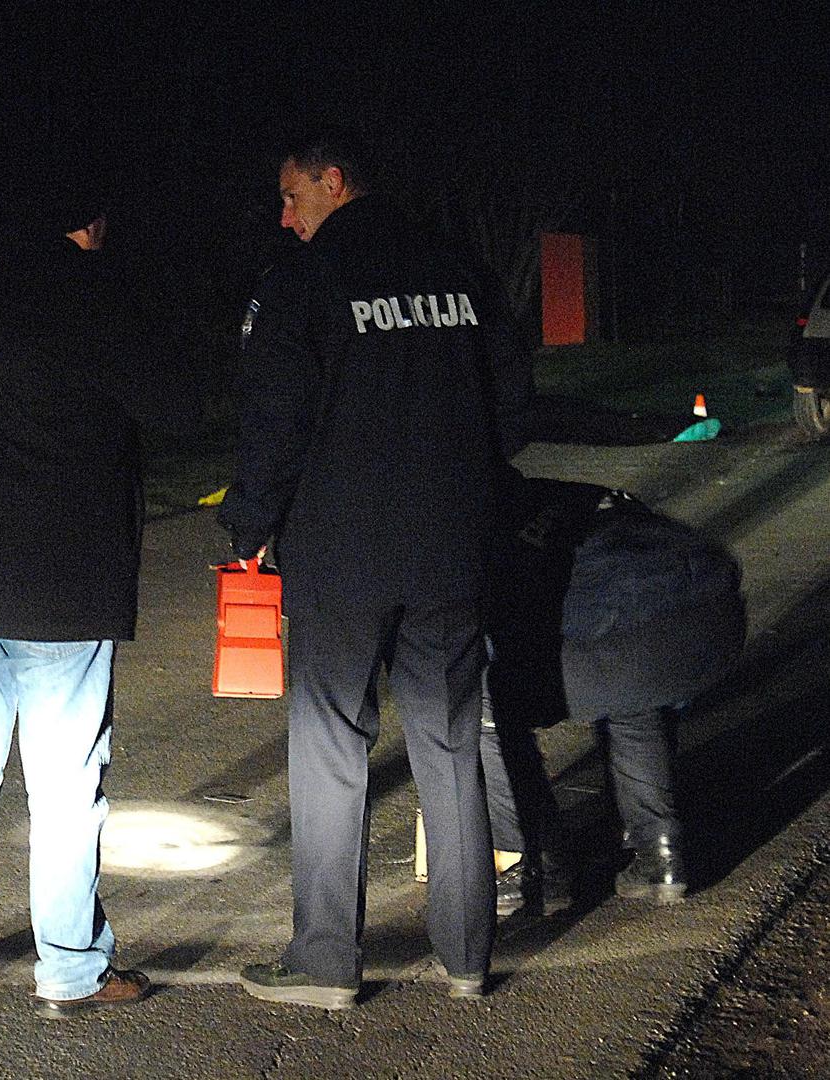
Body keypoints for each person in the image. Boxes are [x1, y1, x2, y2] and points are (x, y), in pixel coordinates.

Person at [218, 127, 534, 1007]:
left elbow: (275, 420)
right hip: (451, 546)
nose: (285, 219)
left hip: (342, 551)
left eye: (292, 197)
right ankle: (467, 955)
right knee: (449, 740)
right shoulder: (460, 272)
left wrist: (248, 524)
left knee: (330, 744)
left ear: (332, 181)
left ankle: (326, 960)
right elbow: (513, 406)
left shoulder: (303, 281)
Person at [0, 162, 199, 1018]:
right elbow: (176, 404)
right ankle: (70, 967)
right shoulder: (91, 293)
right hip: (63, 580)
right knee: (66, 788)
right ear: (91, 222)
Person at [481, 476, 745, 914]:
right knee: (633, 696)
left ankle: (537, 867)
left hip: (615, 630)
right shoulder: (587, 499)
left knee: (487, 708)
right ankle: (661, 853)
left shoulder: (495, 521)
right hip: (706, 621)